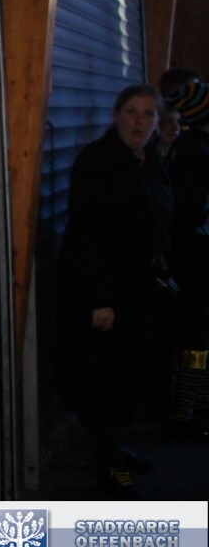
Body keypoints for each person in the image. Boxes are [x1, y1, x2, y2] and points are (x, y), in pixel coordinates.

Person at [54, 84, 174, 495]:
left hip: (139, 290)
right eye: (131, 112)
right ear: (116, 115)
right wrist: (99, 300)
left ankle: (117, 451)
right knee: (102, 382)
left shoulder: (152, 161)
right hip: (105, 291)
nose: (139, 121)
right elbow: (87, 236)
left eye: (148, 114)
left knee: (126, 377)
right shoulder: (98, 162)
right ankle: (110, 471)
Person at [162, 77, 209, 442]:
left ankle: (197, 408)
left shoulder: (188, 150)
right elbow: (191, 212)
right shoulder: (197, 154)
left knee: (199, 337)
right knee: (196, 339)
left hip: (191, 259)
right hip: (195, 261)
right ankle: (184, 415)